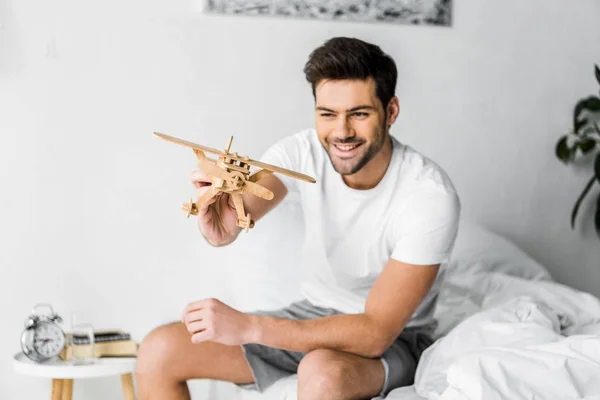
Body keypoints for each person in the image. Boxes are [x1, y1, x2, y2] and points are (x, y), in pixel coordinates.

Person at [136, 37, 461, 400]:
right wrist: (216, 223)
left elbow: (374, 333)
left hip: (397, 339)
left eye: (360, 113)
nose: (342, 132)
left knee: (321, 372)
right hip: (311, 314)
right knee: (157, 351)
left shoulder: (428, 196)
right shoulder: (300, 152)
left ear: (392, 111)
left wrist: (250, 327)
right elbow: (231, 222)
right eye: (328, 114)